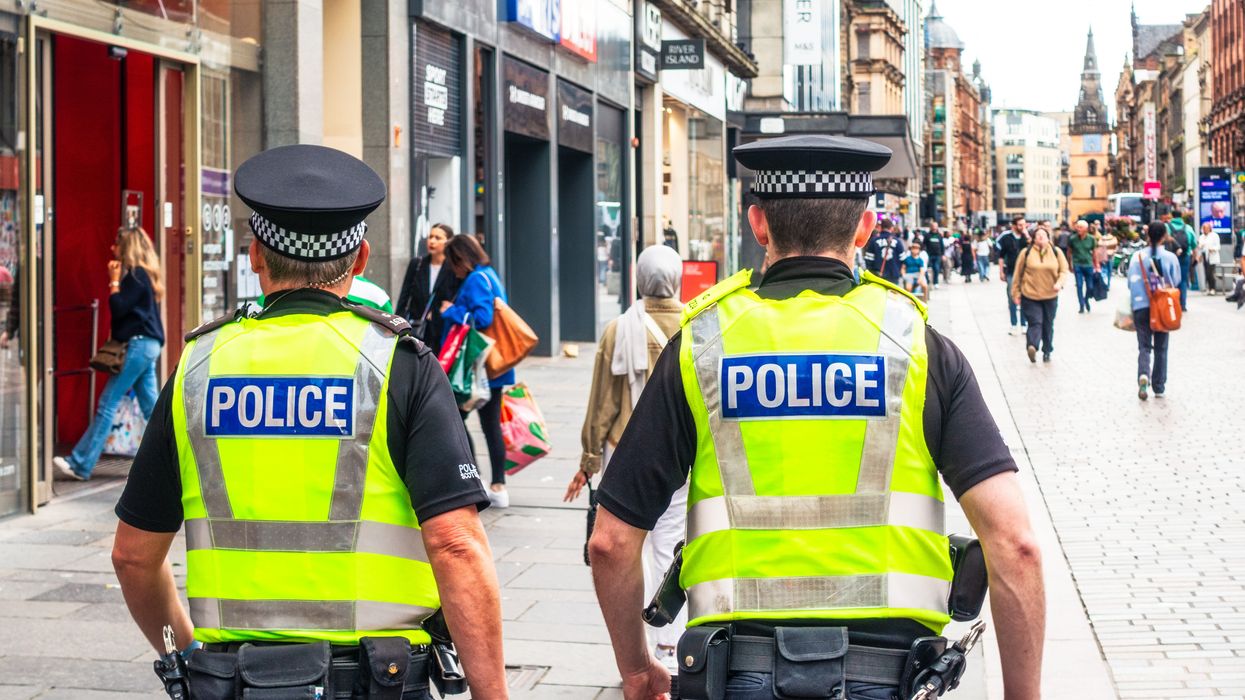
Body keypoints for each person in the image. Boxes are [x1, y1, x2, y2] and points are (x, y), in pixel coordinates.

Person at [587, 134, 1045, 700]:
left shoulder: (701, 347)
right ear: (864, 229)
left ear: (759, 225)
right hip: (890, 675)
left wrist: (637, 672)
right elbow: (1015, 545)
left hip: (734, 675)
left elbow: (609, 542)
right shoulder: (919, 349)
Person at [109, 144, 506, 698]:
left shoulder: (198, 366)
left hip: (232, 680)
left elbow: (132, 556)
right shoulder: (399, 364)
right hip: (377, 679)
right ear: (361, 259)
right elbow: (457, 546)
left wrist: (188, 657)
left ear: (255, 256)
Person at [566, 245, 686, 668]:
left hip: (625, 455)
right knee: (670, 544)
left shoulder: (619, 329)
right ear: (678, 278)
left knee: (631, 546)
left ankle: (642, 640)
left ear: (638, 280)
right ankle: (669, 641)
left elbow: (602, 404)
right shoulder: (696, 324)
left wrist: (588, 461)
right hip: (681, 460)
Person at [53, 227, 164, 481]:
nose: (112, 249)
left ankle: (81, 463)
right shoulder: (145, 276)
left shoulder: (135, 277)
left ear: (126, 248)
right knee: (152, 409)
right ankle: (180, 458)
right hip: (149, 346)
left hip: (137, 345)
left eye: (116, 245)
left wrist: (113, 281)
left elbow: (119, 308)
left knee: (107, 404)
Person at [441, 235, 516, 508]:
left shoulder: (475, 279)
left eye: (453, 263)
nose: (453, 269)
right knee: (489, 424)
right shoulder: (489, 275)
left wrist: (451, 311)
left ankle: (481, 481)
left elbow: (482, 318)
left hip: (478, 368)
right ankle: (497, 485)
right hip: (491, 367)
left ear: (461, 258)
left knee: (458, 421)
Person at [1129, 221, 1181, 400]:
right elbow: (1176, 281)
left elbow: (1130, 283)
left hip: (1140, 306)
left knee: (1144, 346)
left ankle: (1143, 374)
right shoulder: (1170, 257)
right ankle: (1158, 385)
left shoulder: (1136, 257)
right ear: (1164, 236)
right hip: (1162, 307)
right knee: (1161, 347)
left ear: (1148, 235)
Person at [396, 222, 459, 352]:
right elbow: (404, 297)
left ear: (448, 242)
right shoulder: (417, 264)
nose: (432, 241)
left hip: (443, 331)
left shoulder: (454, 268)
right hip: (417, 329)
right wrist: (398, 326)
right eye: (430, 237)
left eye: (438, 238)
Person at [1011, 228, 1068, 364]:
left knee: (1048, 324)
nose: (1041, 237)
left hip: (1050, 295)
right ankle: (1033, 346)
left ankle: (1047, 350)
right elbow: (1017, 274)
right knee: (1035, 322)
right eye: (1038, 235)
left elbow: (1064, 271)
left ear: (1049, 238)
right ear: (1034, 238)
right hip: (1030, 295)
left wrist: (1059, 284)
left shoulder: (1056, 252)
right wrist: (1015, 293)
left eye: (1044, 235)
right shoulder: (1026, 253)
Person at [997, 217, 1031, 335]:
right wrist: (1001, 272)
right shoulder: (1007, 238)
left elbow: (1032, 249)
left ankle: (1023, 324)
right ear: (1014, 226)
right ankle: (1013, 324)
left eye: (1024, 225)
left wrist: (1026, 235)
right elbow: (1001, 256)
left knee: (1025, 298)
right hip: (1011, 272)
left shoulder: (1027, 237)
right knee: (1012, 298)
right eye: (1020, 225)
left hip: (1026, 273)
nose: (1023, 227)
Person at [1068, 220, 1099, 313]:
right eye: (1077, 227)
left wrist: (1097, 264)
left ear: (1086, 229)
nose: (1078, 229)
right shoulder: (1073, 239)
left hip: (1088, 264)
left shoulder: (1091, 239)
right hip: (1078, 264)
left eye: (1080, 227)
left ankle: (1086, 300)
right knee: (1079, 285)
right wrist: (1069, 264)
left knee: (1090, 286)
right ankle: (1081, 304)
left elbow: (1095, 253)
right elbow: (1069, 252)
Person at [1167, 213, 1196, 311]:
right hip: (1185, 257)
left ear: (1172, 216)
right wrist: (1193, 258)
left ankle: (1173, 304)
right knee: (1183, 280)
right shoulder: (1188, 228)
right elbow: (1194, 244)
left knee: (1170, 279)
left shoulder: (1167, 226)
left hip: (1170, 257)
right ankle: (1182, 305)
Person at [861, 217, 903, 283]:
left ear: (881, 227)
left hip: (878, 276)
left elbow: (868, 259)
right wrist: (898, 270)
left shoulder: (874, 241)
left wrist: (872, 273)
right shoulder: (897, 241)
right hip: (893, 275)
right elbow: (902, 259)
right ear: (891, 228)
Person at [1197, 222, 1220, 295]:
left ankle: (1213, 288)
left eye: (1206, 228)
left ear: (1210, 228)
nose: (1205, 230)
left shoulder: (1214, 235)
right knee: (1206, 273)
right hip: (1204, 256)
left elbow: (1218, 246)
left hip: (1212, 256)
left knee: (1210, 273)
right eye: (1203, 228)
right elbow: (1200, 247)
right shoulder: (1201, 237)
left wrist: (1212, 249)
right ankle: (1209, 288)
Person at [924, 220, 945, 287]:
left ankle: (936, 282)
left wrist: (943, 255)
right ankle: (928, 281)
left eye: (936, 226)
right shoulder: (927, 235)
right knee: (928, 268)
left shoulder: (939, 236)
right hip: (929, 255)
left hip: (937, 255)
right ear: (931, 227)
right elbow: (924, 245)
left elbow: (942, 245)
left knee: (936, 268)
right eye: (933, 226)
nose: (934, 227)